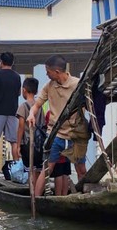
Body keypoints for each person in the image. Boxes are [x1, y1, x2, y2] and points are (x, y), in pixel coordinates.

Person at [27, 55, 88, 196]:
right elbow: (36, 105)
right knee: (47, 168)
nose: (47, 74)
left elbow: (89, 105)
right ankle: (35, 200)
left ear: (57, 71)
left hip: (75, 135)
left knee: (81, 169)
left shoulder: (78, 85)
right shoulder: (49, 86)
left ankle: (84, 199)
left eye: (48, 71)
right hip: (55, 134)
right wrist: (31, 114)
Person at [15, 77, 44, 189]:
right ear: (36, 91)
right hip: (39, 143)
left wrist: (18, 145)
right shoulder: (40, 106)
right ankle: (36, 191)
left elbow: (21, 126)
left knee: (30, 170)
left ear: (24, 90)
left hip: (27, 142)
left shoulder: (23, 106)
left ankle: (31, 190)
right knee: (37, 169)